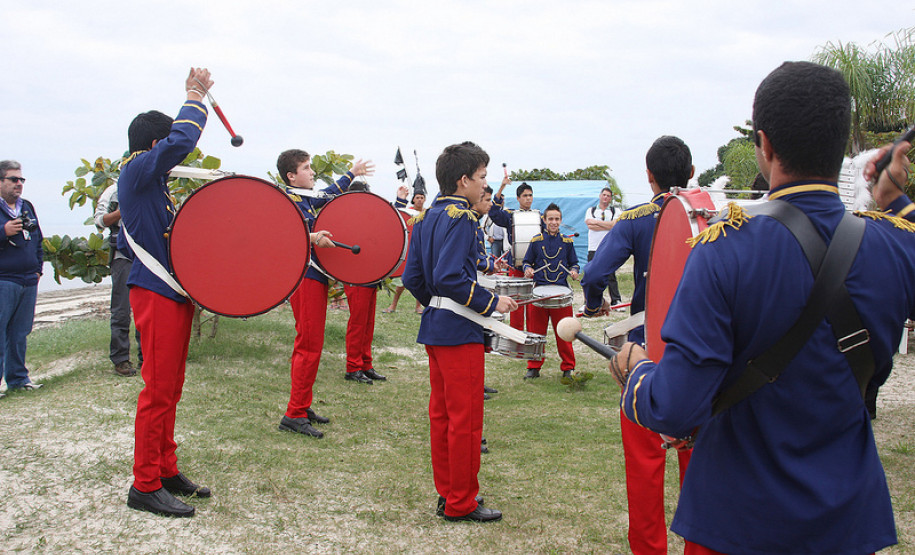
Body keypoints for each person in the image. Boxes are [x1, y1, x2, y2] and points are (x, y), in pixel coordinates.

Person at [610, 61, 912, 554]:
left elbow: (678, 407)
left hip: (736, 521)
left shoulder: (721, 250)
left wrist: (638, 374)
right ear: (840, 148)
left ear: (765, 145)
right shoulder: (894, 247)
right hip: (846, 523)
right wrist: (896, 203)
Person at [581, 135, 694, 554]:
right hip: (699, 351)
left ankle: (649, 547)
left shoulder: (636, 217)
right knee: (697, 459)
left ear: (649, 177)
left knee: (646, 463)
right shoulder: (711, 213)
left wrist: (593, 306)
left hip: (645, 352)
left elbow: (595, 275)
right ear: (692, 173)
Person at [403, 141, 517, 522]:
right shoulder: (464, 217)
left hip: (435, 326)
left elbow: (414, 277)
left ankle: (447, 492)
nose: (485, 186)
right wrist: (491, 303)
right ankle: (462, 501)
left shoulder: (426, 217)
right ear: (463, 180)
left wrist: (437, 301)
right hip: (459, 329)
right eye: (482, 178)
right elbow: (452, 277)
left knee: (442, 417)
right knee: (465, 420)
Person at [119, 68, 214, 517]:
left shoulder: (152, 185)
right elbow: (182, 141)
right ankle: (144, 484)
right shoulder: (137, 172)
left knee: (171, 387)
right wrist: (195, 96)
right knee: (157, 391)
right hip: (153, 294)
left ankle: (165, 467)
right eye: (166, 149)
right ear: (154, 148)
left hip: (171, 294)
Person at [277, 148, 374, 437]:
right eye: (306, 168)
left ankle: (302, 405)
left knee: (312, 346)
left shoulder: (304, 198)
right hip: (303, 277)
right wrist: (311, 237)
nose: (312, 172)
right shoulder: (285, 199)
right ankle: (294, 413)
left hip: (314, 278)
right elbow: (279, 232)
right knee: (308, 346)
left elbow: (327, 193)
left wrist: (352, 174)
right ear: (291, 176)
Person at [341, 180, 393, 385]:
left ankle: (365, 363)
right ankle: (353, 367)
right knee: (358, 323)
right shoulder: (346, 219)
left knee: (367, 323)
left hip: (371, 276)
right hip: (355, 276)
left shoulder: (366, 218)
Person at [0, 160, 43, 395]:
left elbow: (37, 238)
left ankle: (18, 379)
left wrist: (38, 268)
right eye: (13, 179)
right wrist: (3, 231)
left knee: (19, 333)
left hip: (28, 279)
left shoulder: (26, 206)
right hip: (4, 278)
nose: (19, 184)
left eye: (21, 180)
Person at [522, 203, 579, 379]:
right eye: (550, 219)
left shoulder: (567, 242)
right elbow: (526, 262)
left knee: (565, 333)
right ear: (544, 220)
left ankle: (568, 368)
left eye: (557, 219)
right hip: (539, 292)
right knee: (535, 333)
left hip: (561, 293)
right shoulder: (536, 241)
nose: (553, 222)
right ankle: (534, 367)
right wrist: (528, 270)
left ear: (561, 221)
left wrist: (575, 271)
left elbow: (574, 263)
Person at [94, 182, 141, 377]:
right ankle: (121, 359)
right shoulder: (114, 190)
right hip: (123, 258)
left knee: (145, 311)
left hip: (147, 258)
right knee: (121, 311)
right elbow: (99, 221)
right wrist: (122, 212)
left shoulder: (151, 187)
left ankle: (147, 358)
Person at [488, 181, 542, 331]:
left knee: (533, 304)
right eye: (525, 196)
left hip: (534, 268)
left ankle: (533, 334)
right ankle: (516, 337)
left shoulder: (539, 216)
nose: (528, 199)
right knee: (516, 304)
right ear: (518, 198)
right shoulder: (511, 216)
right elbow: (493, 213)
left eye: (530, 195)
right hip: (516, 264)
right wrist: (501, 188)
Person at [384, 192, 425, 314]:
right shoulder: (408, 211)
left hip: (420, 248)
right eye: (417, 197)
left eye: (422, 197)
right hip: (408, 249)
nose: (419, 200)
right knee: (403, 279)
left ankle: (418, 306)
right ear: (413, 199)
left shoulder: (427, 213)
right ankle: (393, 305)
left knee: (420, 278)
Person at [584, 187, 621, 306]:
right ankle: (589, 301)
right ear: (600, 196)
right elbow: (589, 224)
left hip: (609, 246)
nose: (605, 197)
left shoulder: (615, 211)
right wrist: (607, 225)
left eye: (608, 196)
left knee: (611, 275)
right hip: (593, 247)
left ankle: (616, 300)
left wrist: (597, 222)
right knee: (590, 274)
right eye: (604, 195)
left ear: (610, 199)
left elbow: (614, 225)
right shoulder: (592, 210)